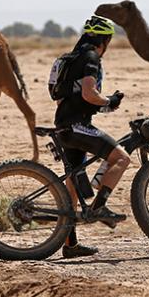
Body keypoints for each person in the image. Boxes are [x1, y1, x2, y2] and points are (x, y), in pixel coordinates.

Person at [54, 14, 131, 258]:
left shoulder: (75, 57)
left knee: (73, 190)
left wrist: (107, 105)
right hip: (77, 127)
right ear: (104, 40)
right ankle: (99, 208)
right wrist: (109, 99)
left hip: (65, 126)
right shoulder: (91, 57)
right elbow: (89, 93)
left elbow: (80, 97)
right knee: (121, 158)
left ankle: (70, 245)